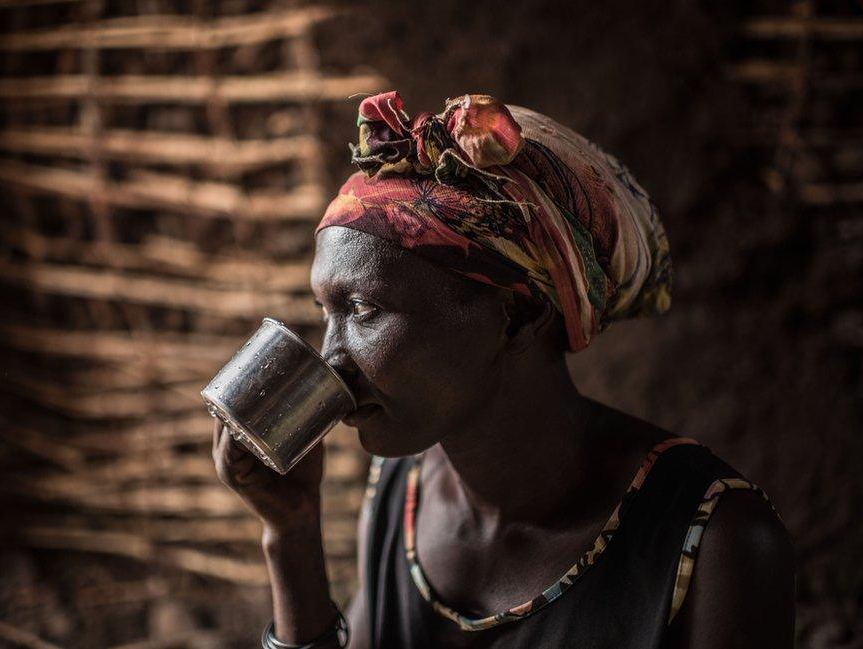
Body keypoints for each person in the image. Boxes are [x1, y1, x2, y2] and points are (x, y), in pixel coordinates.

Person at [211, 91, 795, 648]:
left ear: (517, 317)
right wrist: (290, 535)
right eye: (325, 313)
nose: (331, 359)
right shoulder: (400, 492)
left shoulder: (717, 543)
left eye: (364, 311)